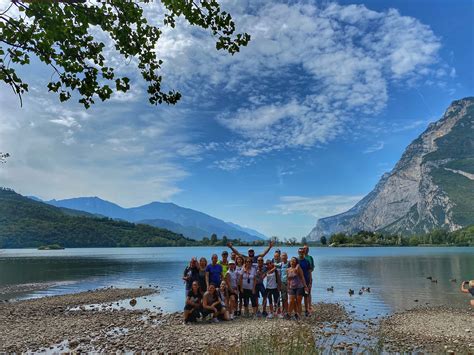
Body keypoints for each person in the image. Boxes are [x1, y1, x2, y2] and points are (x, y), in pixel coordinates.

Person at [298, 247, 312, 316]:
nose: (301, 253)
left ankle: (306, 310)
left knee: (306, 296)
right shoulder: (295, 261)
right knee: (299, 297)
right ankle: (299, 311)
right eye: (300, 252)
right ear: (298, 252)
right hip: (298, 283)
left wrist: (310, 282)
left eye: (302, 252)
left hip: (306, 281)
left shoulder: (307, 261)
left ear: (304, 253)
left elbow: (309, 272)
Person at [278, 252, 290, 317]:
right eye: (282, 256)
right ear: (281, 258)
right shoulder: (281, 264)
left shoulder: (289, 263)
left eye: (285, 256)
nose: (283, 257)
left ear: (287, 257)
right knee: (283, 297)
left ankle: (287, 311)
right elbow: (273, 264)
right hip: (282, 282)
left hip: (288, 283)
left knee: (288, 297)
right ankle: (284, 310)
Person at [304, 245, 315, 311]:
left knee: (308, 292)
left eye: (307, 249)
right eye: (305, 248)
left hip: (308, 277)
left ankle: (309, 306)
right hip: (301, 278)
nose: (306, 250)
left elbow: (312, 268)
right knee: (301, 293)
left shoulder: (310, 258)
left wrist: (309, 271)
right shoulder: (300, 257)